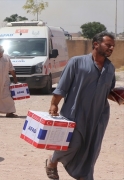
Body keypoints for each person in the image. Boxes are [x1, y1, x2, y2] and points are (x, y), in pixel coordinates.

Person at [45, 32, 116, 180]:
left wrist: (119, 97)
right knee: (72, 143)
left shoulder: (110, 69)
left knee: (92, 148)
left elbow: (108, 91)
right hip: (75, 112)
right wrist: (54, 104)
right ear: (96, 44)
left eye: (113, 46)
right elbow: (62, 86)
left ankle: (84, 176)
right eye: (108, 45)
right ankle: (52, 161)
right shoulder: (76, 62)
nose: (111, 48)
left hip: (98, 116)